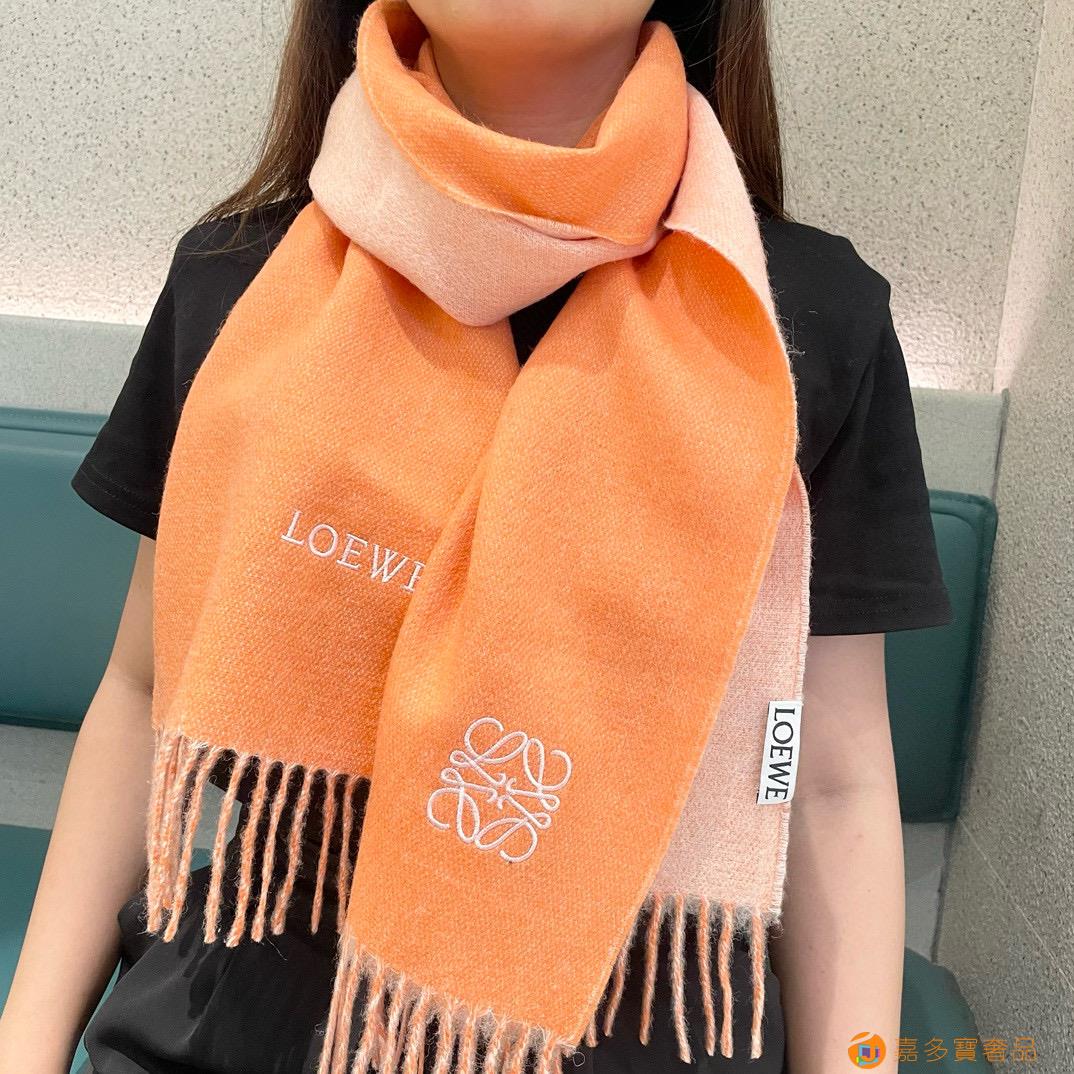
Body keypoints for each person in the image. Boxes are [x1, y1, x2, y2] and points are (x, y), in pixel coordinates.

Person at [0, 2, 952, 1072]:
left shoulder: (796, 318)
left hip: (632, 1025)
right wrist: (23, 1043)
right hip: (237, 1015)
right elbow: (141, 686)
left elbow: (826, 780)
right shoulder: (239, 276)